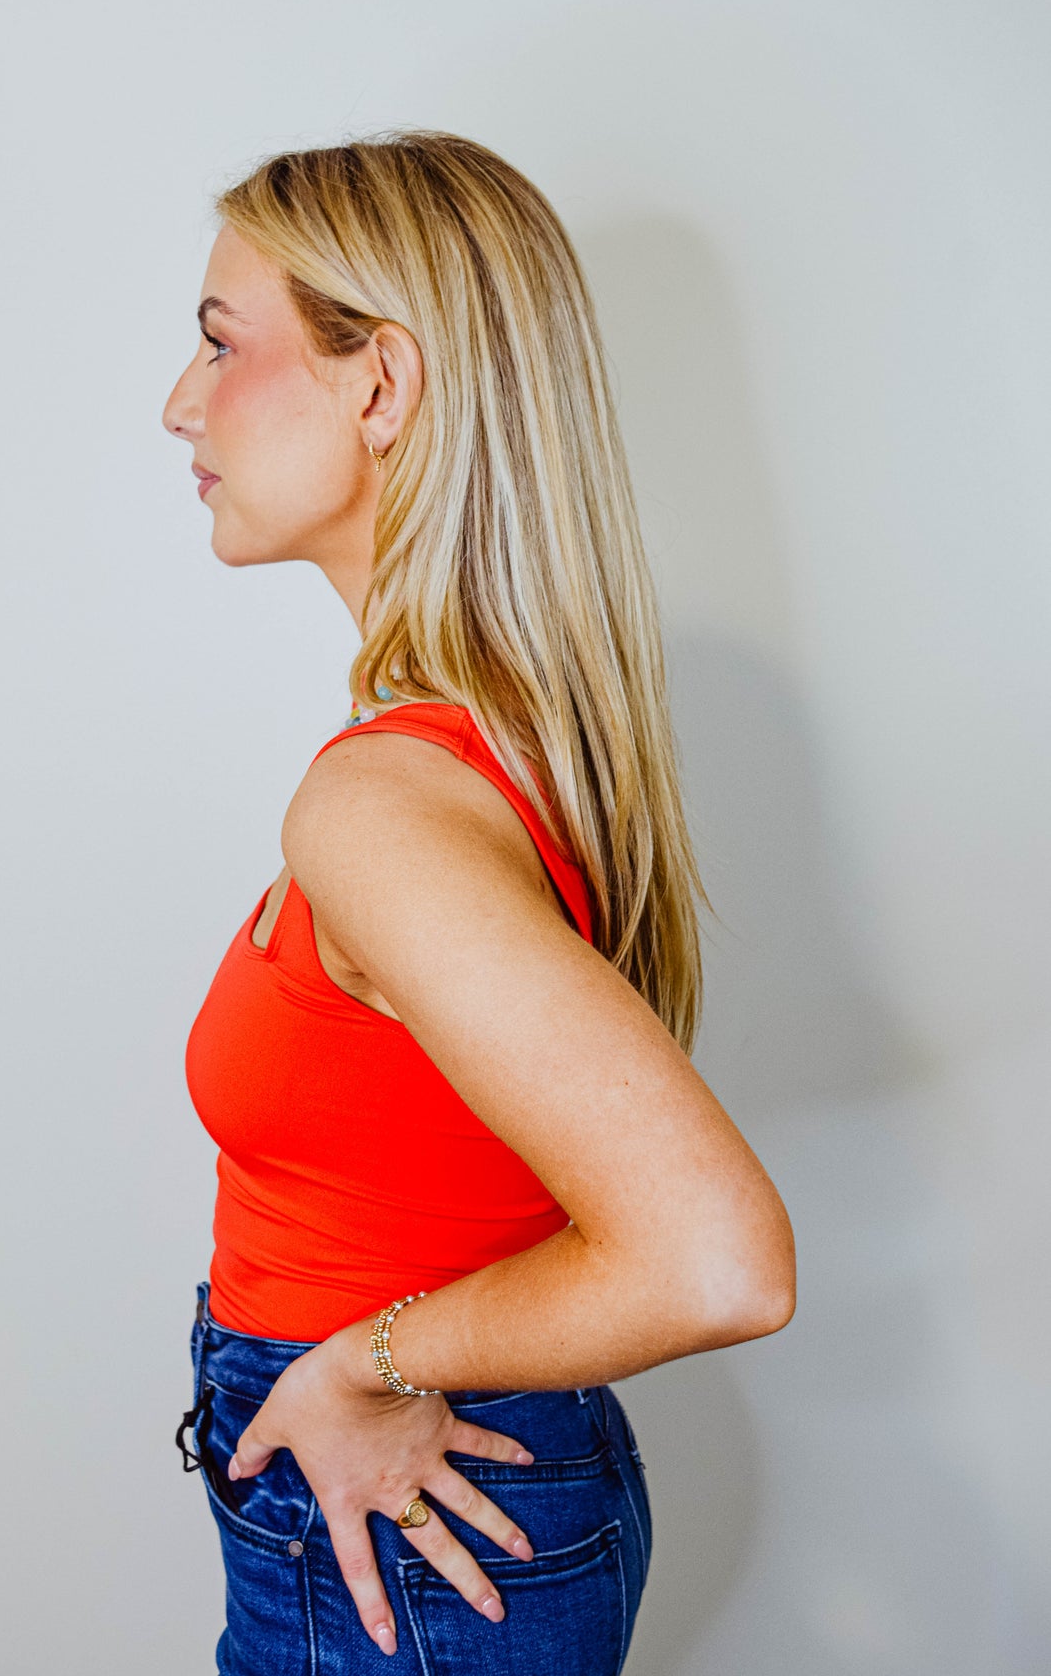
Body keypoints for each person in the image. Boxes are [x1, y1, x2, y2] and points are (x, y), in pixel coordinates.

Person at [163, 129, 796, 1674]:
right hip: (441, 1508)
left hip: (397, 1530)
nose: (180, 401)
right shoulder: (509, 745)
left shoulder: (383, 808)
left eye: (222, 343)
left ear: (379, 385)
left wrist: (364, 1363)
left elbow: (714, 1259)